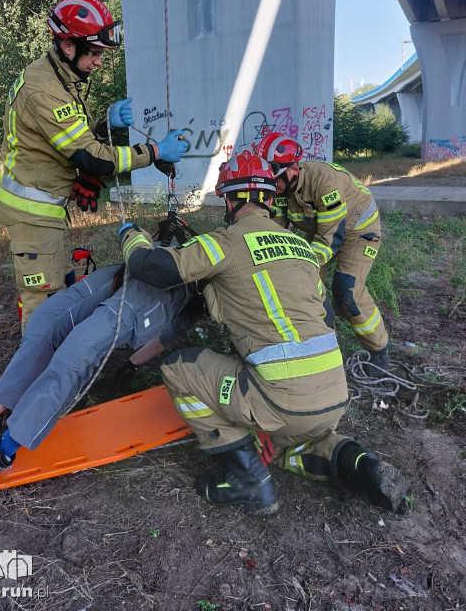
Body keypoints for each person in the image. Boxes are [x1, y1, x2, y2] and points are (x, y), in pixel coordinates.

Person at [117, 151, 409, 516]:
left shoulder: (224, 242)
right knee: (293, 447)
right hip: (333, 396)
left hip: (280, 398)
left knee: (179, 366)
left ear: (228, 198)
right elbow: (327, 315)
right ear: (271, 199)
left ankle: (247, 479)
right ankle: (358, 463)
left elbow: (154, 267)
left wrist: (132, 236)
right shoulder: (303, 248)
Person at [0, 260, 202, 515]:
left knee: (77, 351)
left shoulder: (223, 276)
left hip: (167, 288)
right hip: (130, 268)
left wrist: (132, 365)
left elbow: (177, 329)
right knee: (46, 322)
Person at [0, 0, 188, 329]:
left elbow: (71, 140)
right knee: (43, 301)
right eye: (95, 53)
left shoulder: (57, 77)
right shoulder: (46, 91)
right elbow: (92, 156)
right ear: (68, 45)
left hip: (44, 212)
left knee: (61, 284)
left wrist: (104, 124)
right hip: (33, 216)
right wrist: (156, 152)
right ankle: (39, 375)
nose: (99, 62)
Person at [255, 132, 390, 369]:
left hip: (358, 231)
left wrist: (299, 268)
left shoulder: (325, 182)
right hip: (323, 230)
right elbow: (274, 231)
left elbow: (330, 241)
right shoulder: (278, 189)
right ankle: (326, 347)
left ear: (293, 169)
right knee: (305, 288)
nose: (271, 186)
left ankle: (379, 349)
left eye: (274, 178)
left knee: (346, 290)